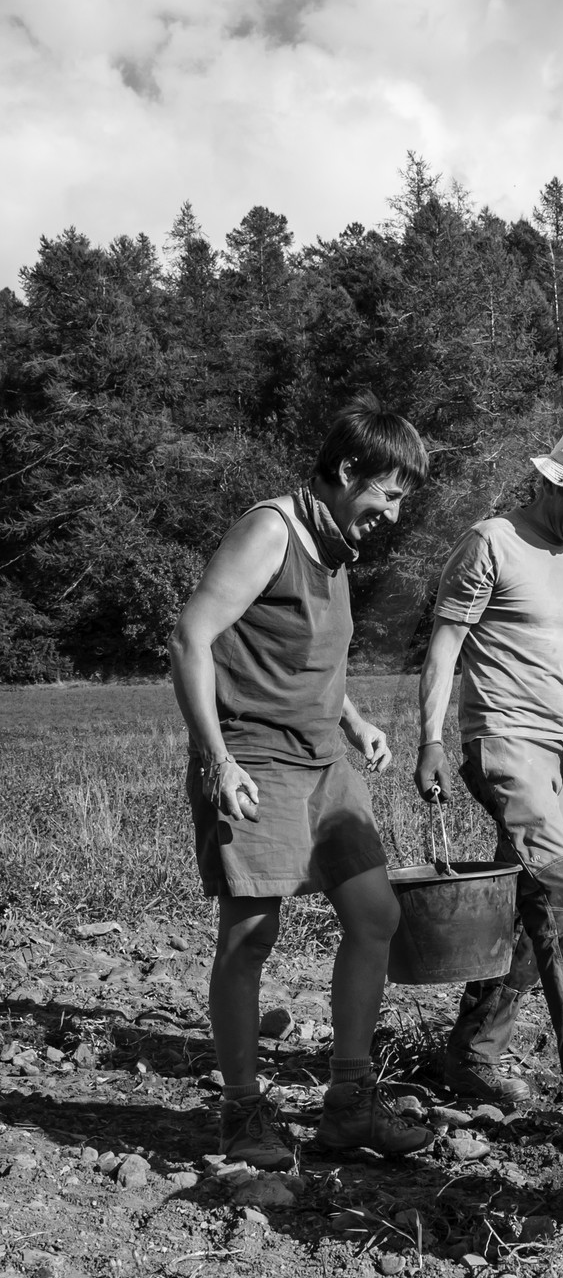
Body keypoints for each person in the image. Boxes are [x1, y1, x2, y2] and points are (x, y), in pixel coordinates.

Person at [169, 391, 433, 1169]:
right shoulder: (270, 530)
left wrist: (353, 720)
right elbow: (191, 637)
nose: (390, 515)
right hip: (255, 758)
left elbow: (304, 652)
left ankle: (348, 1105)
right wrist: (217, 759)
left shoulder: (335, 545)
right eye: (386, 495)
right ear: (348, 470)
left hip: (326, 763)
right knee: (251, 937)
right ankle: (242, 1112)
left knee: (375, 916)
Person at [413, 427, 563, 1108]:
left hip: (561, 746)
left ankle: (469, 1056)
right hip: (498, 739)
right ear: (548, 483)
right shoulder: (490, 542)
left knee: (528, 905)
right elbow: (444, 647)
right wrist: (430, 739)